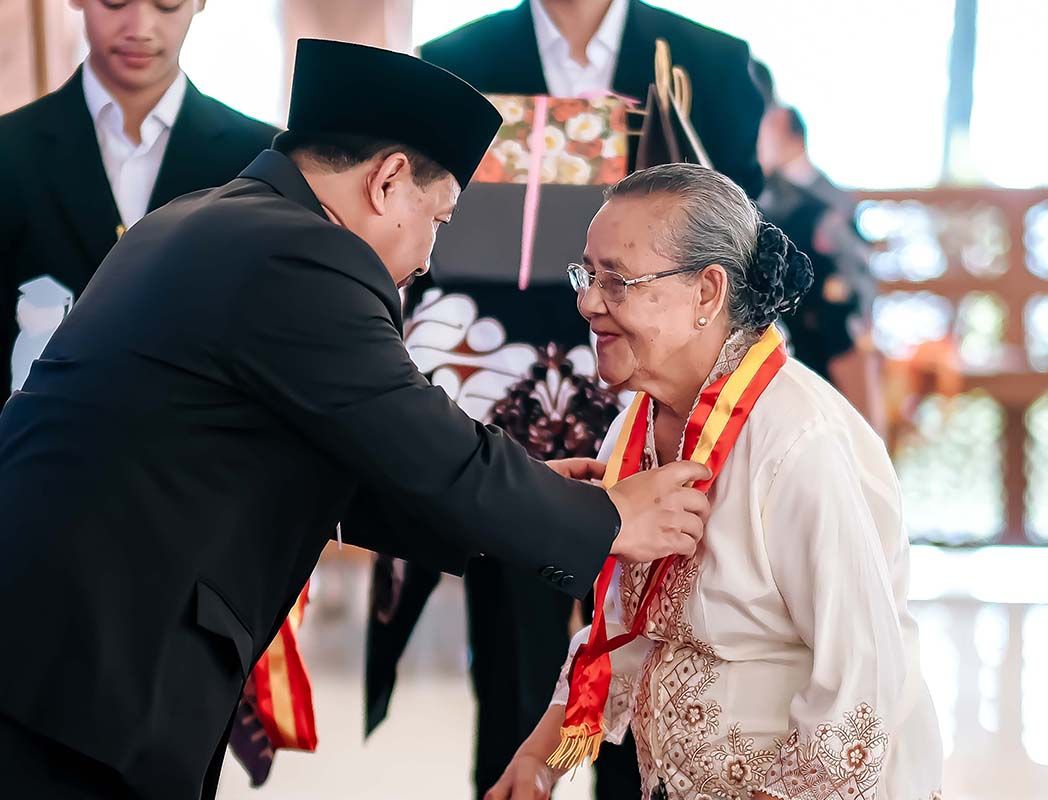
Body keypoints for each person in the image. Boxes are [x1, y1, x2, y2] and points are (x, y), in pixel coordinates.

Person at [0, 40, 713, 800]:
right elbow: (424, 441)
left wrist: (538, 494)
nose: (429, 256)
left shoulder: (205, 220)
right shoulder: (301, 256)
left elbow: (351, 460)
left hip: (52, 656)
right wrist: (605, 518)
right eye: (438, 217)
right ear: (388, 180)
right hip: (77, 678)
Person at [485, 163, 943, 800]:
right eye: (587, 275)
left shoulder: (797, 441)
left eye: (618, 279)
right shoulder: (634, 427)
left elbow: (862, 674)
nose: (588, 302)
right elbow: (624, 627)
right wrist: (541, 760)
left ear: (707, 292)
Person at [401, 6, 764, 796]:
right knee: (511, 673)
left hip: (667, 417)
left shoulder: (711, 61)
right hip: (502, 415)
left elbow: (742, 258)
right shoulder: (455, 58)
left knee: (658, 658)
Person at [0, 0, 277, 397]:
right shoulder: (9, 152)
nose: (140, 27)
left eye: (166, 3)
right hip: (34, 447)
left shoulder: (263, 157)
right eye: (116, 1)